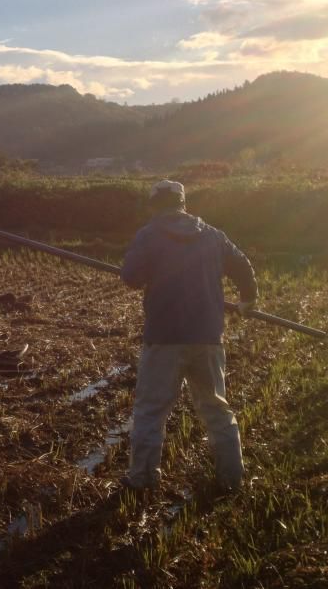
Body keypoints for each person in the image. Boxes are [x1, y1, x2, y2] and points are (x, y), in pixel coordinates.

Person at [120, 179, 258, 492]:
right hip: (208, 337)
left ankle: (142, 480)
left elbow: (130, 278)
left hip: (164, 339)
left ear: (155, 206)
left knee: (150, 411)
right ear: (183, 203)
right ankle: (232, 478)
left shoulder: (149, 235)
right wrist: (248, 299)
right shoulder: (212, 235)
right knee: (216, 409)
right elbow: (242, 265)